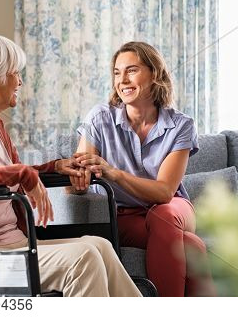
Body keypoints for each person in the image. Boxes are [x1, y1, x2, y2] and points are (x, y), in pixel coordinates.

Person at [0, 33, 142, 297]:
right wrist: (20, 172)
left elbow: (10, 177)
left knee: (100, 245)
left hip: (16, 245)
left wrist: (54, 167)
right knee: (83, 258)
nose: (20, 81)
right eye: (15, 73)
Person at [71, 41, 215, 296]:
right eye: (117, 72)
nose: (122, 79)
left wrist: (114, 173)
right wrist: (78, 177)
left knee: (165, 214)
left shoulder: (180, 125)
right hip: (126, 216)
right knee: (191, 245)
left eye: (132, 70)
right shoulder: (100, 118)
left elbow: (164, 193)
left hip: (174, 209)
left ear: (155, 74)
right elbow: (78, 177)